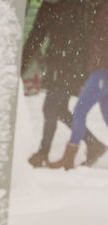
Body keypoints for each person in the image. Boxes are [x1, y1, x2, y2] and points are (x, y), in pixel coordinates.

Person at [21, 0, 106, 166]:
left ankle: (44, 152)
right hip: (62, 63)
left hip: (69, 65)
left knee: (53, 107)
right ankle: (92, 143)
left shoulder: (73, 5)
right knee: (59, 109)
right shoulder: (53, 6)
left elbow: (85, 36)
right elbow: (36, 36)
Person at [51, 0, 108, 165]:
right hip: (100, 69)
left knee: (79, 111)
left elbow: (101, 40)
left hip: (102, 71)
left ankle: (69, 157)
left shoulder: (104, 9)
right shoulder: (98, 8)